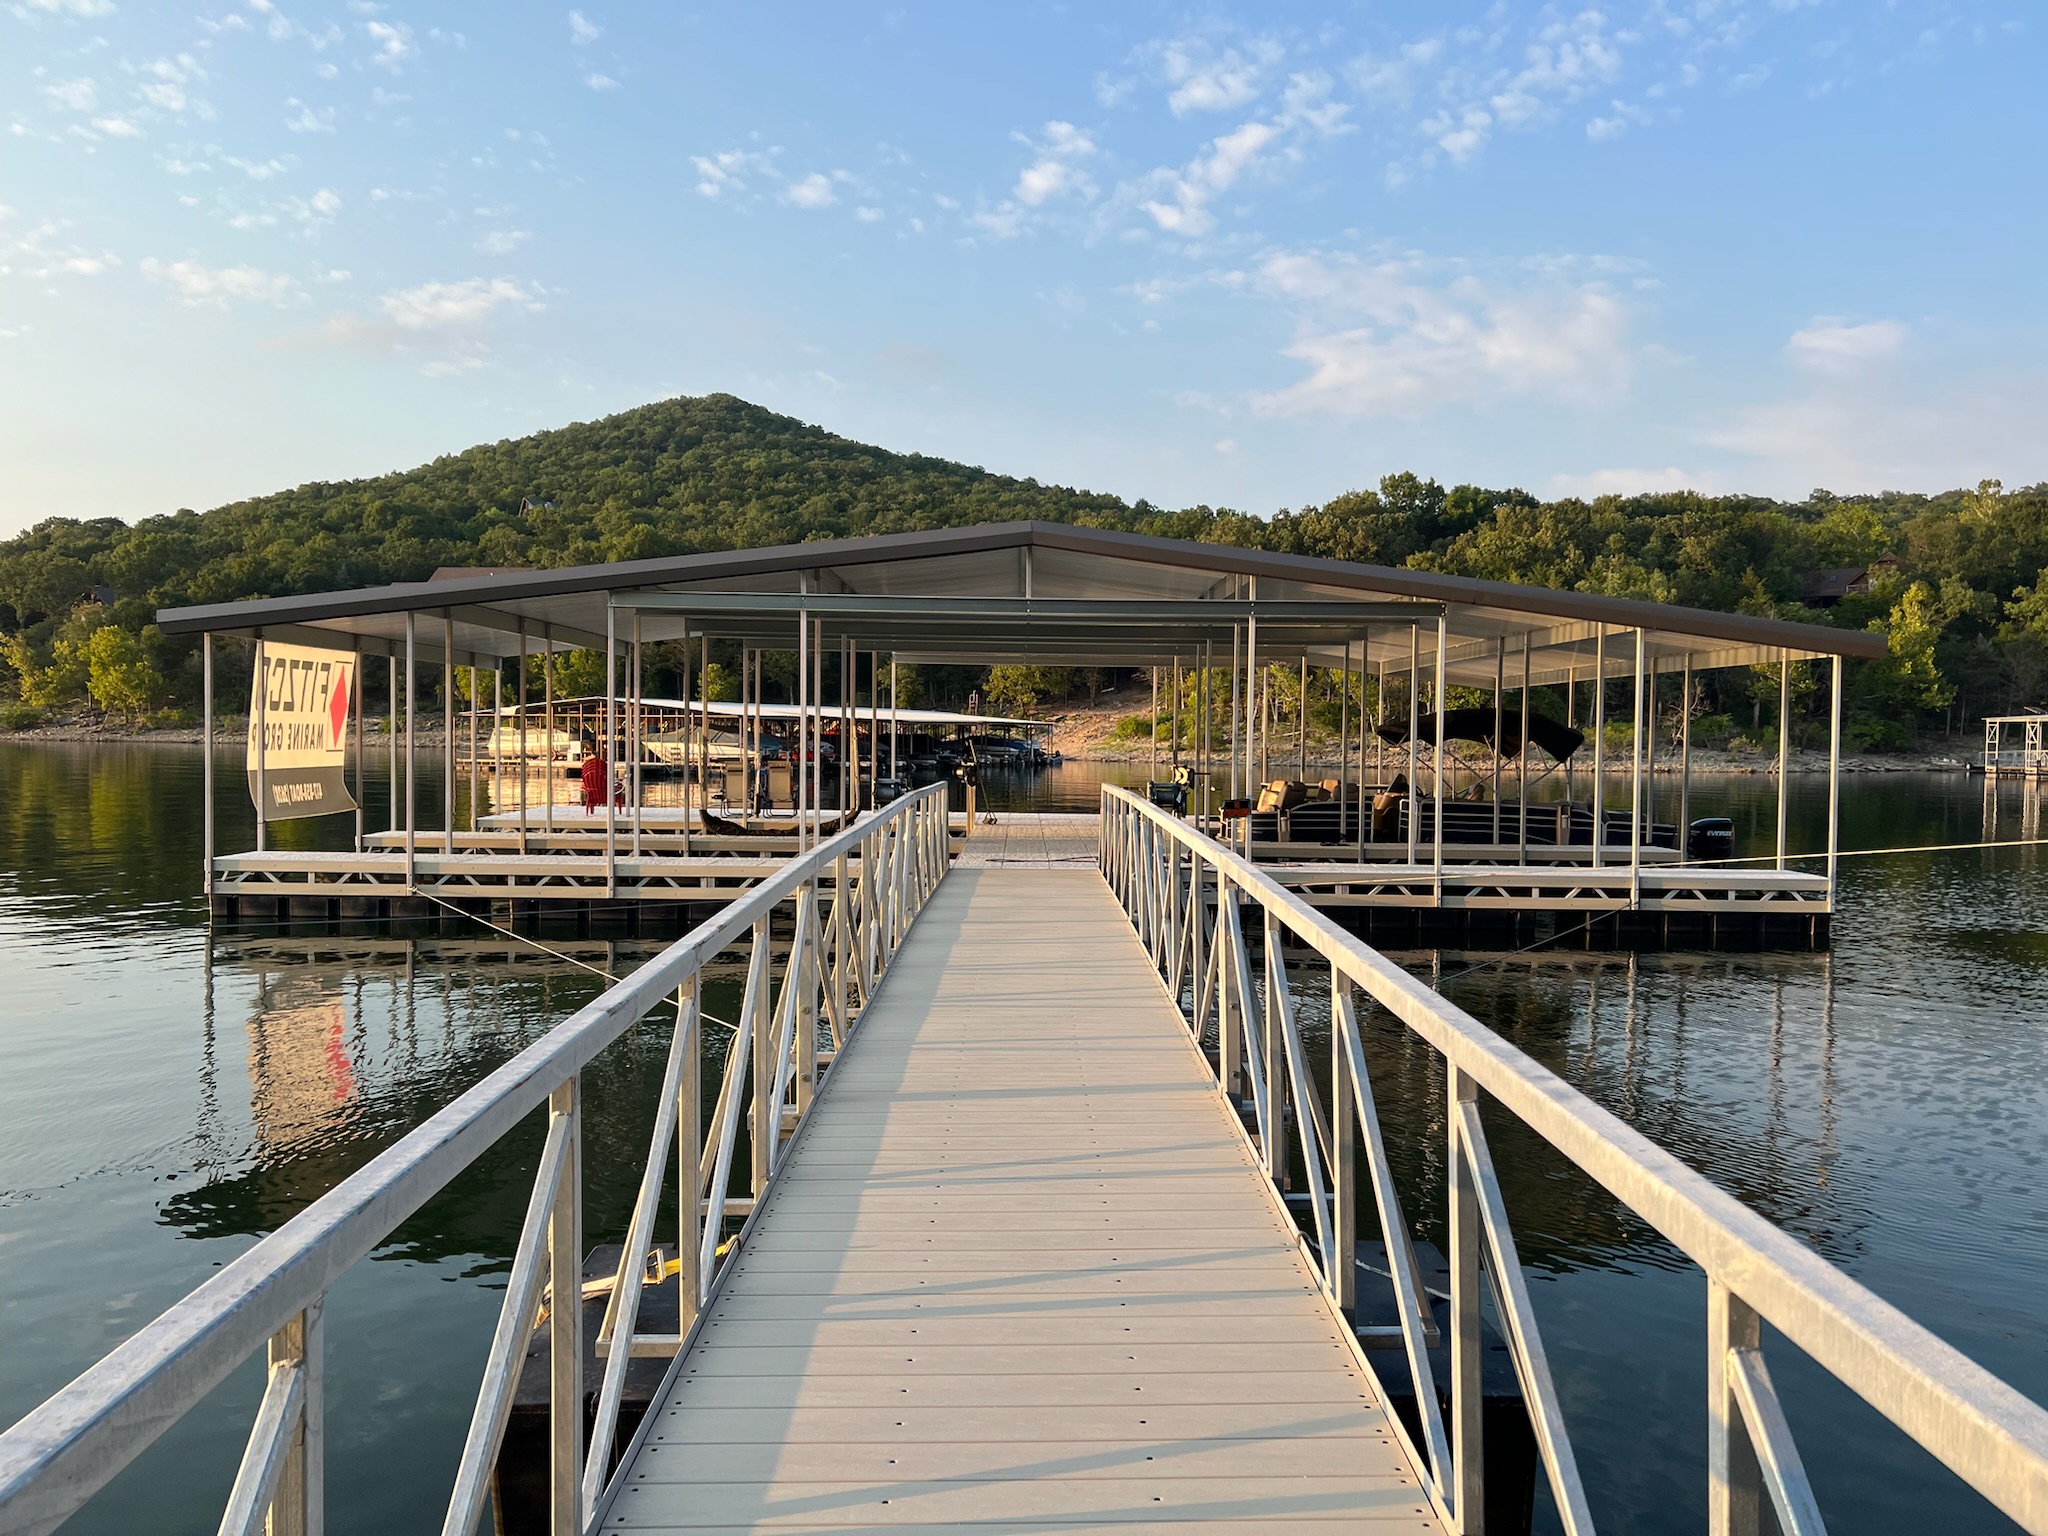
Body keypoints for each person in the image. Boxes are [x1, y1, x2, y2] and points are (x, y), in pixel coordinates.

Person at [581, 741, 624, 810]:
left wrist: (585, 759)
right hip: (606, 793)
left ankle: (589, 810)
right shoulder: (603, 771)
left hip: (593, 794)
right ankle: (619, 810)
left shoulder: (590, 778)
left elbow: (594, 756)